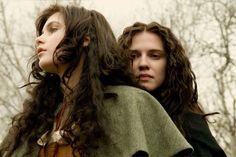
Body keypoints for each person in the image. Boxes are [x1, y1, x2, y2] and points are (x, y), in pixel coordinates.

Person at [0, 5, 193, 157]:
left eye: (53, 30)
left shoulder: (130, 103)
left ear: (85, 38)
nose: (39, 40)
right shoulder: (38, 121)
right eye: (41, 33)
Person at [118, 22, 227, 157]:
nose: (143, 64)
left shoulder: (191, 125)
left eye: (154, 56)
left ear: (170, 62)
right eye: (133, 56)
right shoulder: (111, 119)